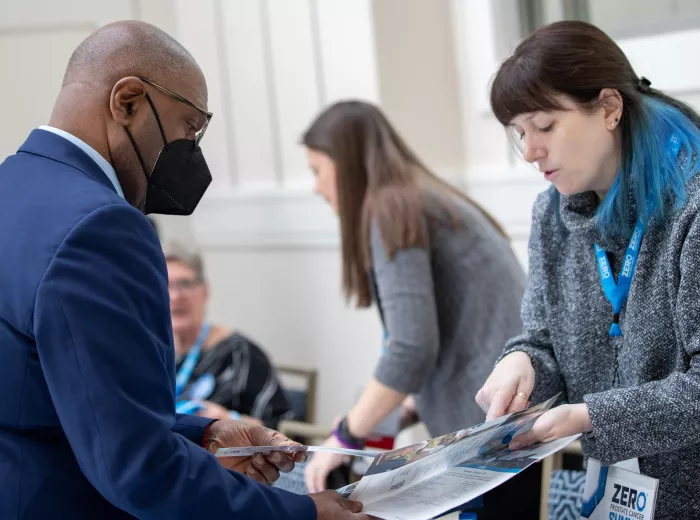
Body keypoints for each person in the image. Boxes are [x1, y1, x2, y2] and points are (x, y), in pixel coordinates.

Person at [0, 21, 370, 520]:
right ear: (127, 101)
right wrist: (305, 513)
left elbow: (62, 401)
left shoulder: (11, 187)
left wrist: (204, 431)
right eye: (189, 126)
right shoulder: (102, 226)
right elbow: (138, 469)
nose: (192, 151)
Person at [476, 20, 700, 518]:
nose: (531, 152)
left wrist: (589, 417)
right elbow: (541, 339)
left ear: (609, 108)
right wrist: (521, 362)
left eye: (545, 126)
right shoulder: (550, 214)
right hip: (615, 499)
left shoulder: (693, 209)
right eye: (520, 134)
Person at [300, 101, 527, 496]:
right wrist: (401, 409)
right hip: (509, 414)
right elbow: (459, 326)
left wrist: (346, 434)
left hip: (497, 431)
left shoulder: (390, 209)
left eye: (318, 171)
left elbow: (411, 348)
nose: (315, 187)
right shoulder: (422, 196)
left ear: (347, 164)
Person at [164, 240, 293, 429]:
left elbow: (281, 429)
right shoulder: (146, 352)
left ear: (205, 291)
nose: (175, 296)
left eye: (185, 283)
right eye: (165, 285)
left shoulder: (240, 354)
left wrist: (230, 420)